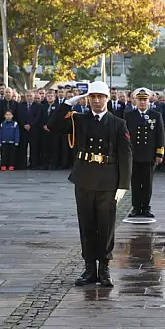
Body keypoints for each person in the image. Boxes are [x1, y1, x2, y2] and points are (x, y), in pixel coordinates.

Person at [48, 81, 132, 287]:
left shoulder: (118, 123)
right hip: (85, 177)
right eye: (93, 97)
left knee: (106, 226)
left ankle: (104, 268)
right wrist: (68, 103)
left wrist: (123, 184)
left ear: (107, 99)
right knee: (86, 225)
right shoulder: (80, 120)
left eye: (100, 97)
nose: (96, 100)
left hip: (108, 179)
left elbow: (126, 154)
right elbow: (53, 125)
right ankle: (89, 269)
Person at [124, 88, 164, 218]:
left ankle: (146, 207)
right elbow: (125, 136)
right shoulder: (129, 115)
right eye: (140, 99)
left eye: (144, 99)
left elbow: (160, 135)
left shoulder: (155, 115)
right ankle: (136, 208)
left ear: (148, 100)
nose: (142, 102)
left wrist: (159, 153)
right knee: (135, 183)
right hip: (134, 155)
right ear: (135, 100)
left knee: (147, 183)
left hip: (149, 155)